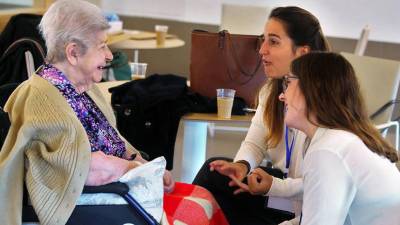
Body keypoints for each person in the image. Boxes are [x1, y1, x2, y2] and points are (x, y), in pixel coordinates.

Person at [0, 1, 228, 225]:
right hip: (83, 201)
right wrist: (137, 170)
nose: (109, 55)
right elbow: (77, 167)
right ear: (73, 52)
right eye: (101, 46)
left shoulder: (85, 89)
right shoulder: (40, 99)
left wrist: (142, 165)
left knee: (203, 196)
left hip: (118, 188)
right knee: (193, 212)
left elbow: (114, 141)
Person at [193, 6, 330, 225]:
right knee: (215, 175)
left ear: (303, 53)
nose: (262, 50)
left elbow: (321, 188)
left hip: (313, 205)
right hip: (284, 194)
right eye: (263, 40)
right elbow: (255, 144)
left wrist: (274, 187)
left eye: (273, 42)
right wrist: (241, 166)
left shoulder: (324, 104)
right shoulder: (272, 90)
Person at [237, 52, 400, 224]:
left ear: (311, 90)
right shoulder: (337, 140)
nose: (281, 96)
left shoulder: (327, 150)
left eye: (288, 83)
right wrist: (275, 187)